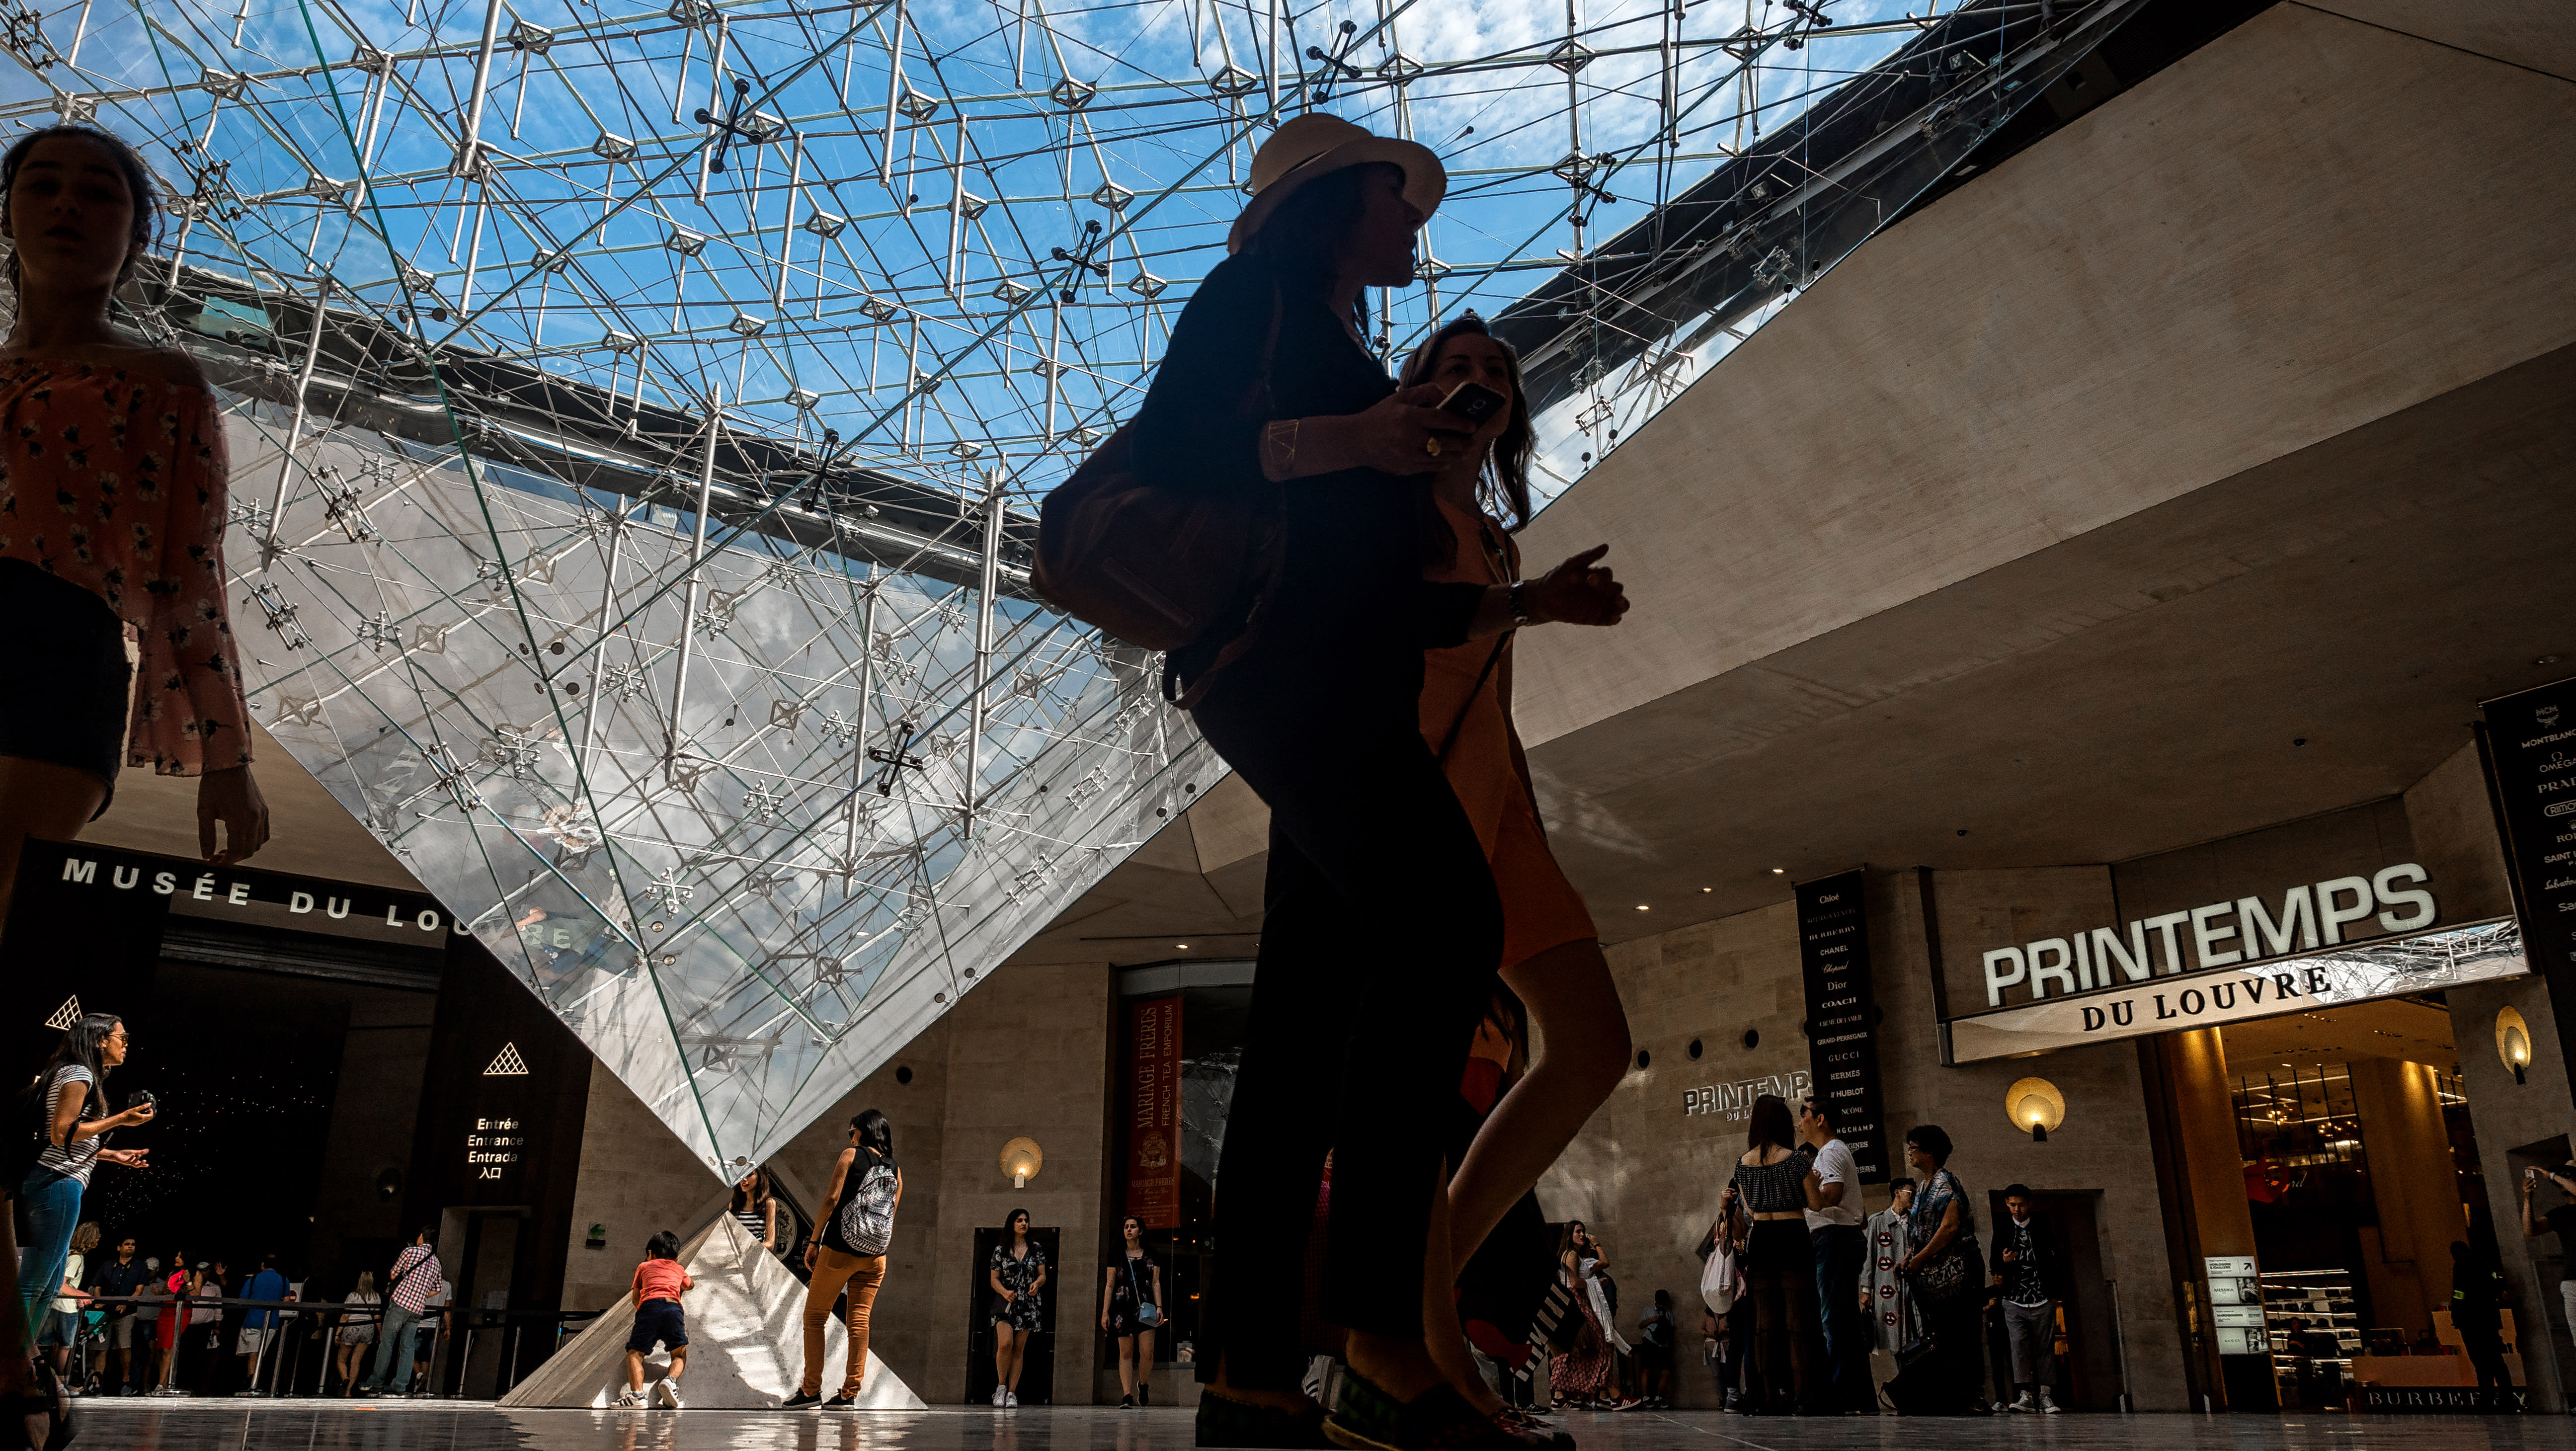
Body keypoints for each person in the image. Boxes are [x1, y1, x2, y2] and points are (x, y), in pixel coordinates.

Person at [1129, 111, 1629, 1451]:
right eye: (1394, 199)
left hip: (1331, 677)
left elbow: (1377, 596)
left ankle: (1251, 1377)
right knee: (1440, 935)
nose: (1416, 221)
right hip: (1288, 680)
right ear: (1330, 201)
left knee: (1299, 1043)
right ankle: (1376, 1332)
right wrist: (1359, 444)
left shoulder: (1344, 345)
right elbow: (1178, 452)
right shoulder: (1262, 297)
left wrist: (1514, 602)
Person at [1395, 315, 1637, 1433]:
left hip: (1499, 813)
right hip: (1411, 808)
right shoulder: (1386, 502)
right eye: (1456, 367)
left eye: (1496, 372)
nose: (1478, 381)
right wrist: (1535, 602)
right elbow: (1395, 629)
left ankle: (1426, 1273)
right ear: (1417, 388)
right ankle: (1431, 1344)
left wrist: (1529, 817)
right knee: (1409, 1088)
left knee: (1591, 1041)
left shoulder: (1494, 538)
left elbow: (1490, 693)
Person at [0, 123, 270, 931]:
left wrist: (227, 758)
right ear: (7, 211)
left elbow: (190, 575)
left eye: (99, 191)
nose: (66, 204)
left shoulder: (160, 383)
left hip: (49, 660)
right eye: (42, 184)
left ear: (138, 234)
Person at [18, 1015, 152, 1348]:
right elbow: (62, 1132)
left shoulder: (74, 1073)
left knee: (45, 1285)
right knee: (36, 1283)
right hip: (58, 1182)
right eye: (122, 1037)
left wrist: (112, 1155)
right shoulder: (79, 1074)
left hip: (55, 1180)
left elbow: (66, 1138)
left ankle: (18, 1359)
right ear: (99, 1040)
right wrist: (120, 1119)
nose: (126, 1044)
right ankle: (13, 1361)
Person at [1718, 1094, 1826, 1414]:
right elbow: (1817, 1204)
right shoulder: (1795, 1160)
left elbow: (1749, 1208)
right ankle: (1804, 1397)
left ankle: (1766, 1396)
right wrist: (1816, 1184)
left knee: (1764, 1324)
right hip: (1792, 1236)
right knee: (1799, 1319)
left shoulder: (1743, 1163)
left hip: (1762, 1239)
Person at [785, 1109, 900, 1409]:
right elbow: (890, 1217)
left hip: (840, 1249)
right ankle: (849, 1394)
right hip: (876, 1257)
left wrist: (815, 1240)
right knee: (860, 1322)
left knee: (815, 1316)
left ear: (863, 1130)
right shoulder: (895, 1170)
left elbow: (832, 1199)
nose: (850, 1137)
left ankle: (811, 1390)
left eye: (852, 1131)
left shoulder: (851, 1155)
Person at [1887, 1126, 1983, 1415]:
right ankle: (1944, 1395)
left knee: (1960, 1334)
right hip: (1932, 1277)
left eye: (1914, 1148)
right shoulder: (1924, 1188)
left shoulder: (1946, 1185)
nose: (1910, 1153)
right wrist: (1908, 1257)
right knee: (1939, 1336)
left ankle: (1969, 1396)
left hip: (1956, 1273)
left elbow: (1949, 1228)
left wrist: (1920, 1259)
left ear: (1930, 1152)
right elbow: (1920, 1231)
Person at [1796, 1096, 1866, 1412]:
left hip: (1835, 1238)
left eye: (1804, 1116)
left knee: (1833, 1321)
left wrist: (1805, 1189)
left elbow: (1830, 1196)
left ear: (1820, 1118)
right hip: (1837, 1238)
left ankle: (1838, 1395)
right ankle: (1857, 1396)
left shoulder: (1832, 1151)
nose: (1800, 1123)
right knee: (1844, 1321)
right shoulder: (1829, 1153)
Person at [1988, 1185, 2060, 1413]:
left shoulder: (2042, 1225)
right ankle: (2025, 1394)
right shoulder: (2002, 1228)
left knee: (2045, 1347)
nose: (2016, 1210)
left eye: (2020, 1205)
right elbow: (1994, 1264)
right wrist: (2005, 1262)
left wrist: (2055, 1290)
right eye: (2012, 1205)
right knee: (2018, 1346)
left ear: (2029, 1204)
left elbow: (2054, 1257)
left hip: (2042, 1296)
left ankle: (2046, 1395)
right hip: (2014, 1298)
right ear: (2006, 1204)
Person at [357, 1224, 441, 1396]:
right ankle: (401, 1385)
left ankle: (376, 1382)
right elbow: (438, 1289)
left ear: (420, 1237)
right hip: (417, 1309)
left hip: (400, 1304)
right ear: (435, 1243)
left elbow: (394, 1274)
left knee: (387, 1344)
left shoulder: (410, 1252)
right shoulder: (436, 1263)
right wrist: (421, 1294)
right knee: (408, 1347)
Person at [617, 1230, 691, 1409]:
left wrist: (644, 1311)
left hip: (649, 1308)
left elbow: (636, 1297)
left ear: (650, 1253)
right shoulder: (679, 1269)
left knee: (635, 1354)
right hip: (673, 1308)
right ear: (677, 1256)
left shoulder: (644, 1267)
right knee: (679, 1353)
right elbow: (690, 1285)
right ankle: (670, 1381)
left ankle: (637, 1396)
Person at [1547, 1222, 1615, 1409]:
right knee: (1598, 1347)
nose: (1583, 1235)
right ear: (1570, 1235)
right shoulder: (1571, 1255)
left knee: (1584, 1352)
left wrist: (1597, 1244)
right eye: (1578, 1231)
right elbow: (1575, 1283)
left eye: (1584, 1231)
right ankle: (1565, 1395)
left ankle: (1583, 1395)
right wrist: (1595, 1285)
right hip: (1578, 1305)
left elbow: (1605, 1263)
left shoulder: (1580, 1258)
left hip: (1582, 1304)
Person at [1102, 1215, 1163, 1409]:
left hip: (1146, 1306)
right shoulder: (1116, 1254)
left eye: (1133, 1227)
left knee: (1147, 1352)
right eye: (1126, 1227)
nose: (1129, 1230)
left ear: (1141, 1231)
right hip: (1122, 1306)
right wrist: (1105, 1312)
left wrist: (1160, 1307)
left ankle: (1143, 1384)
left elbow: (1156, 1282)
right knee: (1126, 1353)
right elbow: (1110, 1284)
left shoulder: (1152, 1254)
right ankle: (1127, 1395)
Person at [1862, 1179, 1914, 1405]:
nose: (1912, 1196)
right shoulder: (1878, 1222)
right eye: (1909, 1192)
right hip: (1888, 1292)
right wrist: (1866, 1291)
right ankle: (1904, 1389)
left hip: (1914, 1292)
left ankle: (1913, 1388)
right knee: (1895, 1341)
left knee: (1917, 1338)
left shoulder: (1917, 1222)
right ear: (1897, 1193)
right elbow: (1868, 1258)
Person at [987, 1208, 1046, 1408]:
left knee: (1019, 1349)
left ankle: (1013, 1392)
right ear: (1012, 1224)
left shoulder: (1036, 1248)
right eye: (1019, 1220)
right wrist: (1004, 1292)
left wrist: (1037, 1284)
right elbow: (994, 1279)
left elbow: (1043, 1275)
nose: (1024, 1224)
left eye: (1026, 1220)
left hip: (1028, 1303)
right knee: (1005, 1344)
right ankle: (1001, 1386)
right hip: (1006, 1303)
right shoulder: (1000, 1250)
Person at [2449, 1240, 2511, 1405]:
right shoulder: (2484, 1264)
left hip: (2471, 1320)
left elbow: (2459, 1293)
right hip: (2489, 1319)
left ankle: (2487, 1398)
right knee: (2496, 1360)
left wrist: (2456, 1314)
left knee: (2480, 1361)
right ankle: (2507, 1398)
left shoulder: (2460, 1266)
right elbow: (2495, 1283)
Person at [88, 1234, 150, 1394]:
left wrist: (127, 1303)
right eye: (127, 1244)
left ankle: (126, 1381)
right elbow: (97, 1285)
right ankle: (97, 1382)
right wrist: (99, 1300)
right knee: (102, 1348)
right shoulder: (108, 1265)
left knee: (125, 1346)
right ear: (119, 1247)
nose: (130, 1247)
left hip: (127, 1312)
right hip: (105, 1312)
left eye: (133, 1244)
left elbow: (140, 1289)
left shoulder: (140, 1266)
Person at [36, 1222, 95, 1382]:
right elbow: (62, 1284)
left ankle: (46, 1381)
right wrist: (81, 1294)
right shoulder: (76, 1258)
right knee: (65, 1347)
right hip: (64, 1309)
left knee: (47, 1346)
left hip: (51, 1304)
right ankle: (61, 1383)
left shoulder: (65, 1253)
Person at [236, 1253, 291, 1392]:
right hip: (272, 1322)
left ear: (262, 1265)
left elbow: (243, 1299)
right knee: (261, 1353)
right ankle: (255, 1381)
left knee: (253, 1353)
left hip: (252, 1320)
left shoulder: (254, 1279)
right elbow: (287, 1301)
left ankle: (251, 1380)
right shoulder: (284, 1280)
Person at [151, 1250, 200, 1394]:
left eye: (180, 1256)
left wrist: (188, 1281)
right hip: (166, 1310)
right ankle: (163, 1385)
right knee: (161, 1348)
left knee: (168, 1347)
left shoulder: (196, 1274)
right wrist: (157, 1293)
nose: (176, 1258)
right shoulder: (173, 1273)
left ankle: (160, 1384)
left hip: (181, 1312)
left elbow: (196, 1296)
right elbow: (167, 1292)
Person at [335, 1270, 380, 1396]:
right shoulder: (376, 1297)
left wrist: (338, 1333)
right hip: (368, 1329)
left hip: (352, 1328)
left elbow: (345, 1315)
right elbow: (377, 1317)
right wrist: (380, 1333)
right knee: (356, 1361)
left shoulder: (353, 1296)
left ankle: (345, 1379)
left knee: (342, 1359)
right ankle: (348, 1391)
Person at [1634, 1290, 1675, 1409]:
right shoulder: (1648, 1310)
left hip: (1664, 1344)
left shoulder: (1668, 1313)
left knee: (1666, 1372)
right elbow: (1641, 1325)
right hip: (1650, 1341)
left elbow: (1672, 1329)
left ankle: (1659, 1397)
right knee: (1647, 1369)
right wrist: (1652, 1320)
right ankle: (1646, 1397)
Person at [731, 1167, 780, 1257]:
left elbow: (770, 1244)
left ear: (760, 1177)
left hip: (754, 1258)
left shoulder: (769, 1203)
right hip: (734, 1258)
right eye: (741, 1175)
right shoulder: (735, 1204)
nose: (744, 1180)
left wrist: (747, 1248)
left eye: (749, 1175)